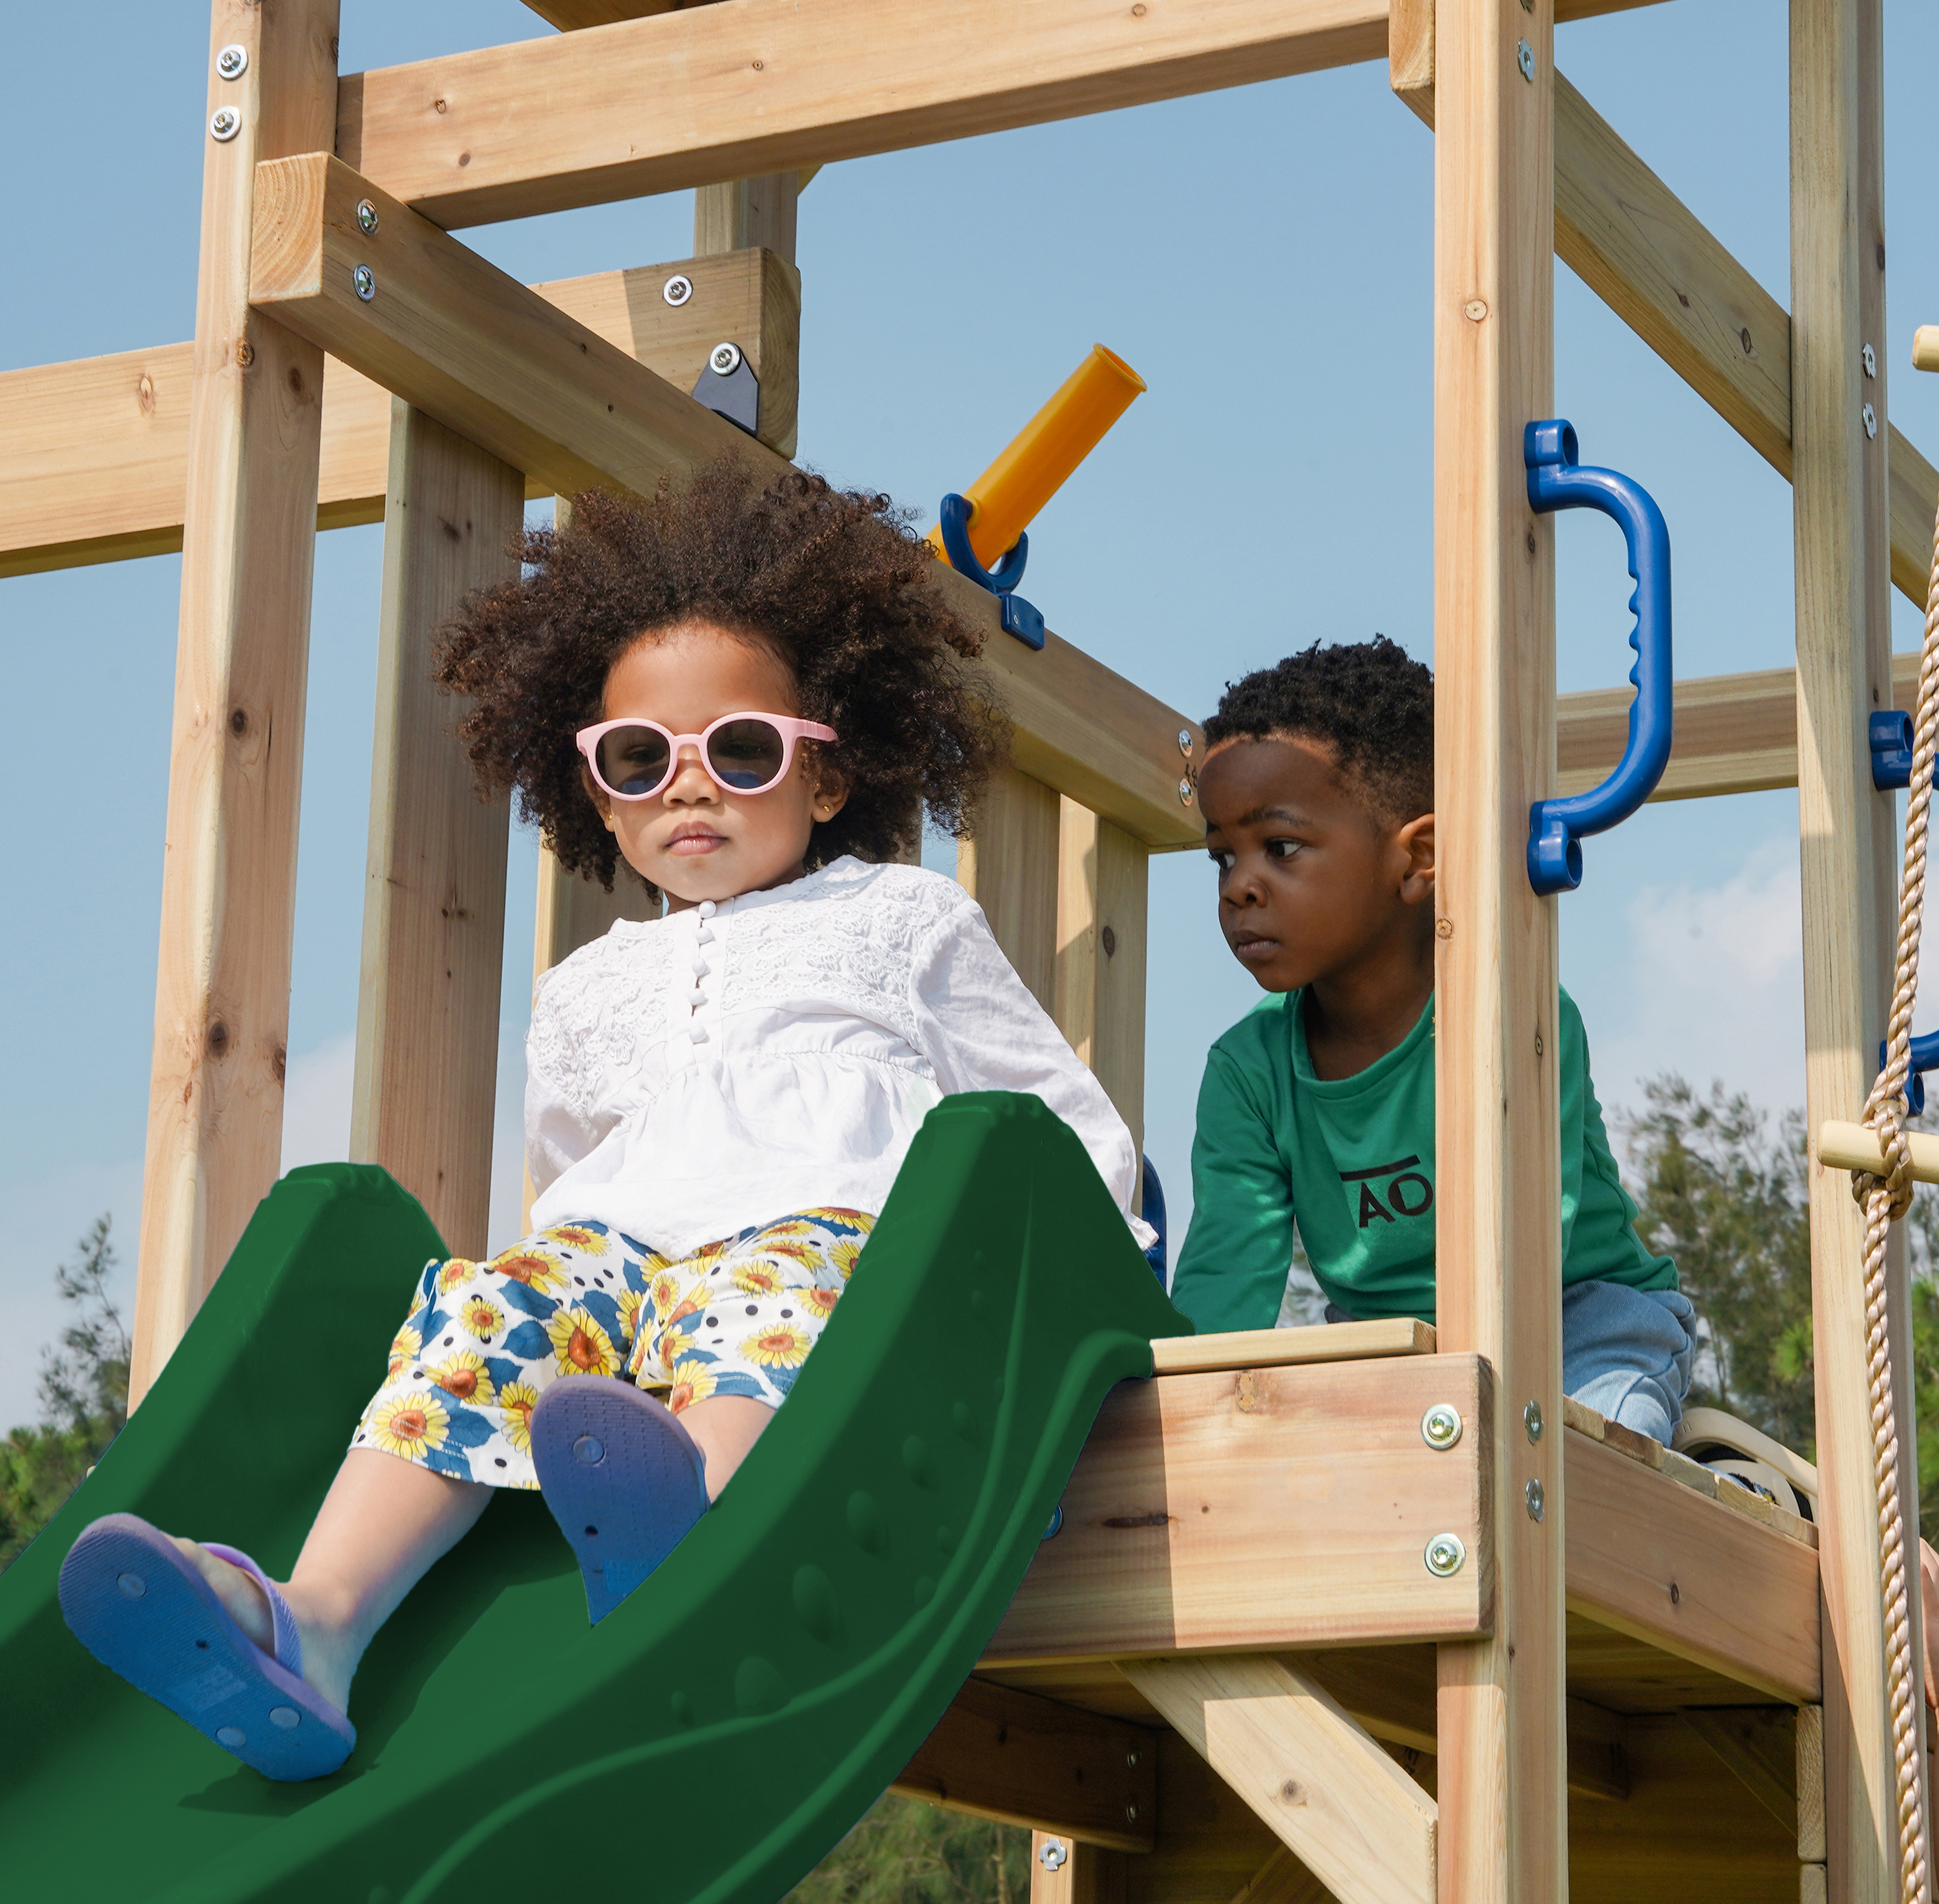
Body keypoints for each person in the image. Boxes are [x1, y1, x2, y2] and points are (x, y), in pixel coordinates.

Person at [59, 460, 1149, 1781]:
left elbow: (1054, 1121)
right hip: (629, 1266)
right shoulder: (583, 988)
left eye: (739, 751)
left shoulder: (900, 921)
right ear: (594, 788)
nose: (688, 787)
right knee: (485, 1304)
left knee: (766, 1290)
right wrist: (563, 1295)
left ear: (825, 777)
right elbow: (568, 1175)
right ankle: (318, 1620)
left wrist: (1080, 1305)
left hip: (820, 1249)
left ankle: (700, 1519)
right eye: (640, 759)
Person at [1168, 637, 1695, 1438]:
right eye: (1221, 856)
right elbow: (1223, 1281)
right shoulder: (1248, 1071)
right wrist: (1187, 1431)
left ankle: (1723, 1470)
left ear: (1417, 858)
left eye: (1280, 847)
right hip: (1386, 1346)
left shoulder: (1510, 1014)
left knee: (1591, 1456)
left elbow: (1524, 1242)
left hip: (1573, 1323)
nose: (1240, 884)